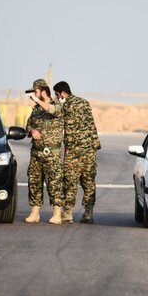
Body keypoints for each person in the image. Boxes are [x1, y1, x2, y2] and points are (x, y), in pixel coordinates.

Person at [53, 81, 101, 224]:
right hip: (89, 149)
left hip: (74, 150)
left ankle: (67, 213)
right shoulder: (85, 103)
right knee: (89, 182)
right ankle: (88, 213)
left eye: (57, 94)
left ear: (62, 93)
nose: (57, 98)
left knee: (69, 181)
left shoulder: (65, 106)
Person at [24, 79, 65, 224]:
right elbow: (27, 126)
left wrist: (38, 100)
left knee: (54, 183)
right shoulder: (35, 110)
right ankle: (35, 213)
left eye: (35, 92)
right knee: (34, 182)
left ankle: (57, 214)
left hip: (51, 153)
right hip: (36, 153)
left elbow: (53, 111)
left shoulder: (57, 105)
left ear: (43, 91)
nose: (33, 95)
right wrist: (32, 131)